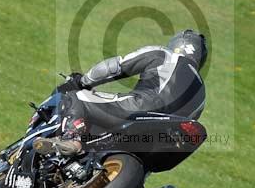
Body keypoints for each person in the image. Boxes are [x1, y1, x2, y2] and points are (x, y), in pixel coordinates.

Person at [34, 29, 208, 156]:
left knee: (76, 98)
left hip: (140, 109)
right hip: (162, 138)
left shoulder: (165, 55)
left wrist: (82, 81)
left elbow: (115, 67)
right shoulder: (202, 92)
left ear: (176, 44)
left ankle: (71, 138)